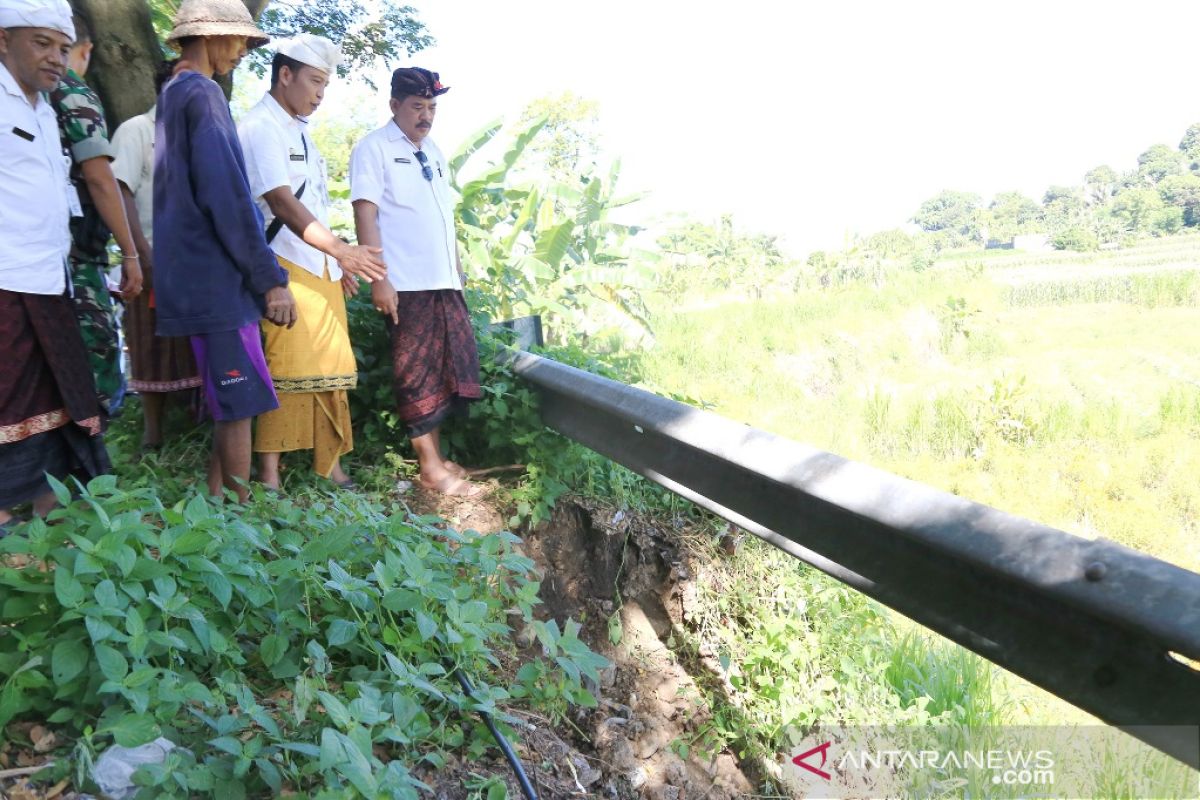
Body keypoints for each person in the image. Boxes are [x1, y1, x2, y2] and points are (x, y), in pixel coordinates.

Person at [153, 0, 295, 503]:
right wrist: (269, 278)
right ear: (211, 36)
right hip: (217, 279)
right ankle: (239, 519)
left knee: (229, 397)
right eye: (238, 40)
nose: (241, 52)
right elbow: (230, 198)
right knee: (237, 403)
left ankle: (213, 508)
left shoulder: (173, 93)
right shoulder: (204, 95)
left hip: (191, 275)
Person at [238, 34, 388, 491]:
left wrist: (336, 260)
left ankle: (332, 466)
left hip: (317, 265)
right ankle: (269, 476)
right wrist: (342, 250)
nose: (320, 94)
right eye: (315, 82)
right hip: (283, 266)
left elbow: (315, 206)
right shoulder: (260, 127)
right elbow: (281, 203)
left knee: (330, 370)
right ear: (285, 75)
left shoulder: (298, 130)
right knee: (286, 370)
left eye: (326, 85)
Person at [0, 0, 109, 530]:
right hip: (5, 285)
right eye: (41, 43)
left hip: (49, 282)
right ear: (3, 40)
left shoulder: (45, 110)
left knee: (63, 407)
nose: (55, 59)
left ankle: (46, 535)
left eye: (63, 49)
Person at [350, 67, 484, 497]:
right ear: (394, 106)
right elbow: (365, 213)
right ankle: (429, 469)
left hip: (443, 281)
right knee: (416, 375)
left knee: (444, 373)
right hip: (405, 283)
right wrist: (379, 278)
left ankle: (437, 458)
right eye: (416, 107)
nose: (425, 117)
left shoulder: (436, 151)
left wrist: (457, 269)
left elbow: (444, 218)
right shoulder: (374, 149)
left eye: (431, 108)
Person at [50, 11, 143, 416]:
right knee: (96, 345)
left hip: (34, 248)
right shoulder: (73, 93)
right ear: (85, 50)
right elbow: (101, 179)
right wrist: (131, 253)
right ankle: (92, 445)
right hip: (76, 253)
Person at [110, 58, 202, 449]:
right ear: (165, 86)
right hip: (150, 259)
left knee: (191, 347)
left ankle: (195, 427)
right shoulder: (136, 130)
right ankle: (152, 434)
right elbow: (119, 191)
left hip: (193, 263)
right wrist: (140, 254)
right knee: (149, 344)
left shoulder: (197, 136)